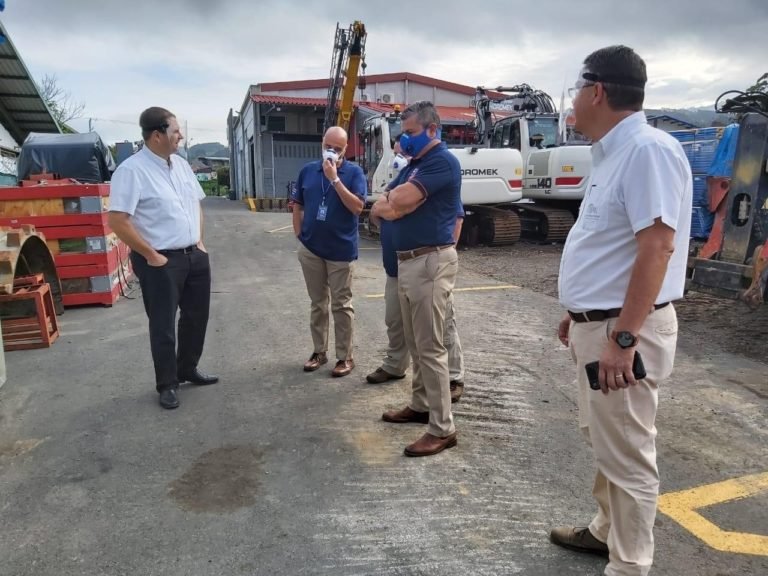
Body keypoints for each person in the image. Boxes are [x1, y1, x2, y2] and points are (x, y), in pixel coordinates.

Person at [552, 46, 692, 576]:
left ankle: (629, 566)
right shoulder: (612, 155)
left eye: (575, 92)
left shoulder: (646, 151)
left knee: (629, 454)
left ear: (598, 91)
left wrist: (623, 338)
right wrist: (580, 310)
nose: (571, 105)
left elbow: (656, 248)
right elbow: (611, 247)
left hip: (622, 330)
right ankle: (604, 531)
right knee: (605, 438)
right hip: (604, 321)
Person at [108, 107, 218, 410]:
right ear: (156, 136)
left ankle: (187, 368)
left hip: (194, 256)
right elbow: (118, 220)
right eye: (175, 132)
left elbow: (195, 204)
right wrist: (151, 255)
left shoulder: (181, 166)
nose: (180, 136)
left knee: (197, 319)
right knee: (163, 325)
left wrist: (200, 242)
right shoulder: (131, 171)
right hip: (160, 261)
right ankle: (167, 384)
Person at [372, 101, 462, 457]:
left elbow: (398, 200)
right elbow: (384, 203)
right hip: (409, 263)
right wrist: (392, 203)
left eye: (410, 133)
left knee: (431, 348)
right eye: (403, 134)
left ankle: (443, 428)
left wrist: (394, 203)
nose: (403, 141)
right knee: (416, 344)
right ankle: (421, 405)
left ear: (432, 129)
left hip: (429, 262)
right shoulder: (414, 166)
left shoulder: (441, 161)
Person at [367, 137, 466, 403]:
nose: (400, 155)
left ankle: (454, 378)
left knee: (441, 328)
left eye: (402, 151)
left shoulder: (432, 177)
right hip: (396, 266)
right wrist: (393, 207)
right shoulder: (406, 176)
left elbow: (456, 220)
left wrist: (442, 261)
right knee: (396, 322)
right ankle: (395, 364)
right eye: (397, 152)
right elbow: (377, 209)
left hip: (427, 268)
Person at [293, 126, 367, 377]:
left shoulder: (354, 173)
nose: (331, 151)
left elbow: (357, 208)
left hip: (340, 250)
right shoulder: (308, 171)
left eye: (337, 148)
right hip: (311, 249)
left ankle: (345, 357)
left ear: (346, 150)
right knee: (317, 304)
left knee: (341, 305)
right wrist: (299, 235)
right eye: (328, 146)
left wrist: (335, 179)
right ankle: (318, 351)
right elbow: (298, 204)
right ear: (321, 143)